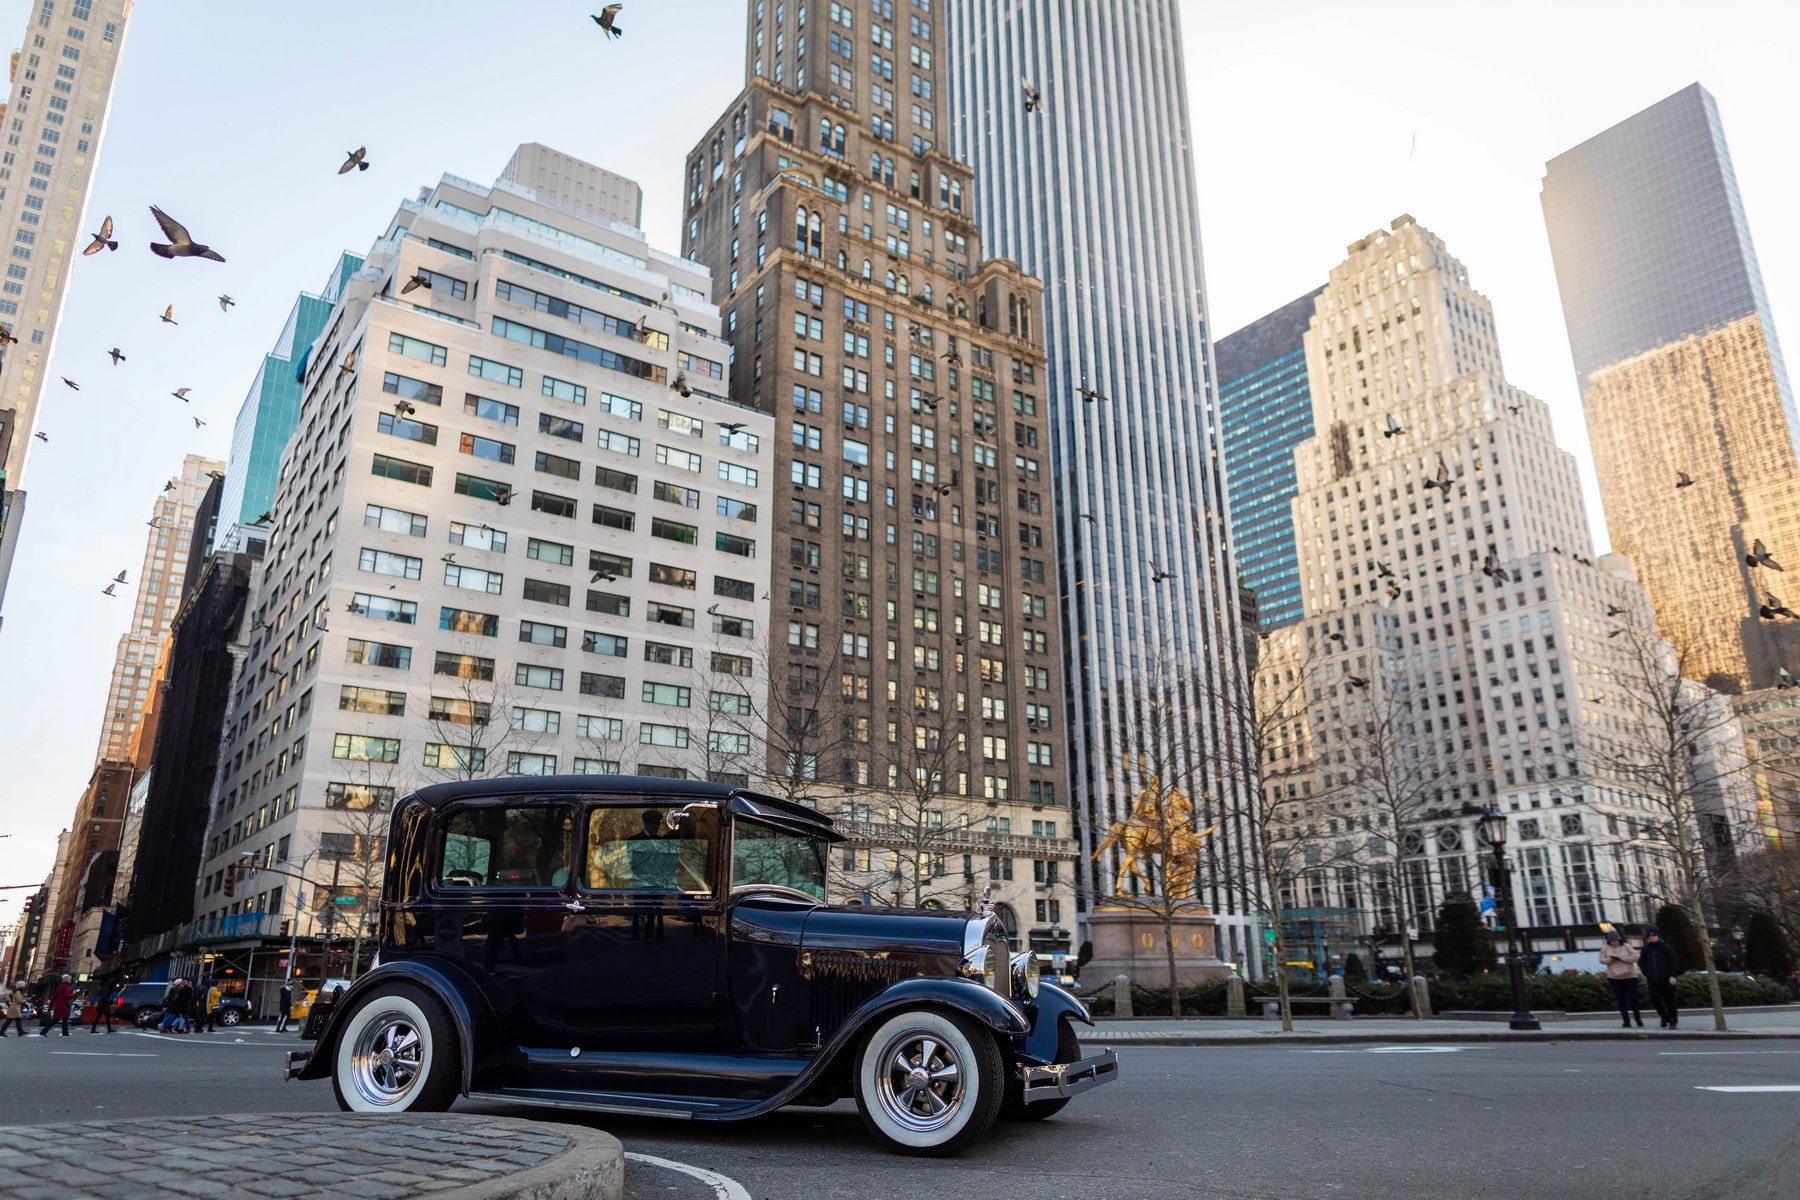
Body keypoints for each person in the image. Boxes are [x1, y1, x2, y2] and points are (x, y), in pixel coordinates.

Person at [1639, 926, 1682, 1029]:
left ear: (1658, 936)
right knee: (1655, 999)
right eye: (1649, 936)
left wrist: (1673, 975)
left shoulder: (1666, 948)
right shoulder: (1646, 949)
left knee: (1670, 1000)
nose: (1652, 937)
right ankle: (1664, 1016)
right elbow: (1642, 962)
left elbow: (1674, 962)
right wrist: (1647, 973)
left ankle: (1673, 1020)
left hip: (1667, 978)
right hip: (1653, 979)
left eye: (1654, 935)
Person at [1598, 930, 1643, 1028]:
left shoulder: (1626, 946)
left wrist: (1622, 958)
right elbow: (1601, 959)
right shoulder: (1605, 948)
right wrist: (1610, 960)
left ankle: (1638, 1018)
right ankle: (1626, 1020)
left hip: (1630, 975)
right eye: (1612, 941)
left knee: (1633, 997)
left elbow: (1635, 958)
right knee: (1621, 999)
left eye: (1616, 940)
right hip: (1614, 977)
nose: (1614, 942)